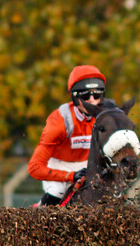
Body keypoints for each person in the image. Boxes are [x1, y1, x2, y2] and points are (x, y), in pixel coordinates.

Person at [28, 65, 106, 206]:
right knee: (57, 191)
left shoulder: (106, 116)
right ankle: (37, 217)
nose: (92, 100)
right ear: (75, 97)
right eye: (85, 96)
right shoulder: (59, 122)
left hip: (88, 164)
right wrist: (70, 176)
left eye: (97, 94)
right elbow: (34, 168)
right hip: (59, 165)